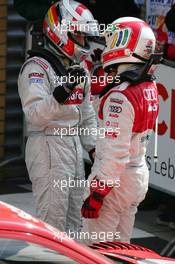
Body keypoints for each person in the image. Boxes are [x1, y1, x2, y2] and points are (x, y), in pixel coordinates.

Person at [18, 0, 98, 234]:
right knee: (52, 222)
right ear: (61, 33)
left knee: (75, 222)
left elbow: (87, 114)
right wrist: (59, 96)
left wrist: (93, 148)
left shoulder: (79, 68)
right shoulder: (36, 67)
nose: (84, 42)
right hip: (47, 145)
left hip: (72, 146)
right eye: (80, 36)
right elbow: (33, 115)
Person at [81, 17, 160, 244]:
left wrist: (98, 193)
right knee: (121, 247)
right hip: (136, 176)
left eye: (110, 42)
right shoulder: (149, 83)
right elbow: (114, 110)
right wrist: (100, 85)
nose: (107, 48)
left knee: (96, 251)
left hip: (114, 181)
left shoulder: (120, 95)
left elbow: (115, 151)